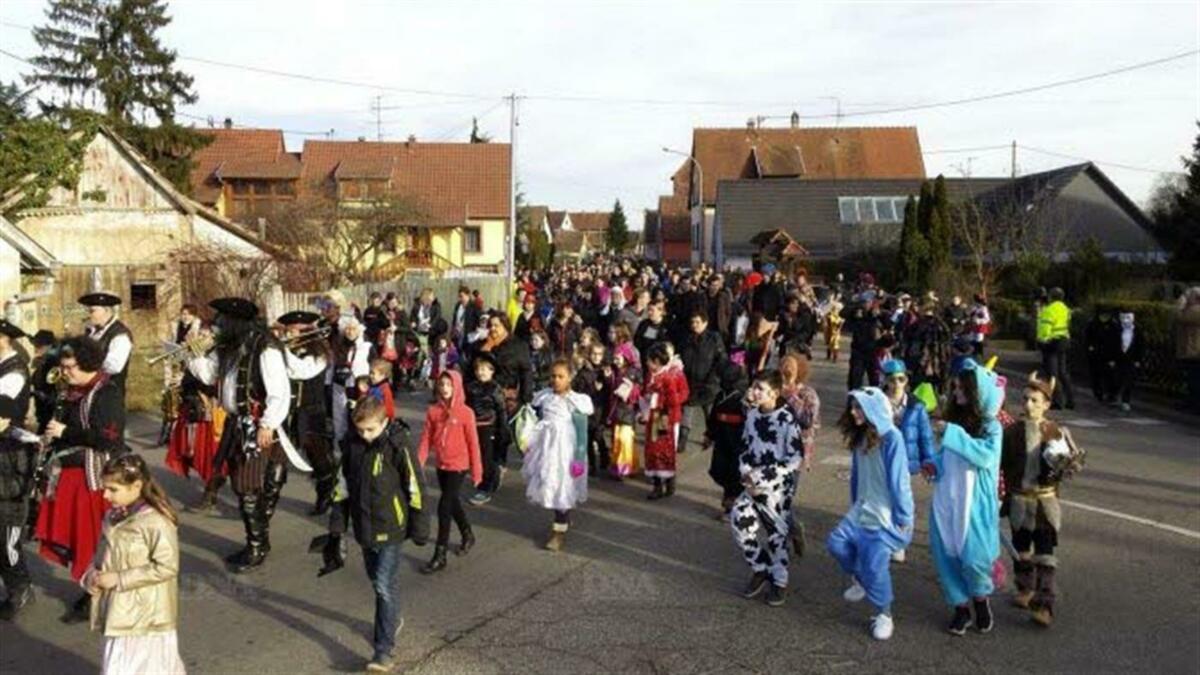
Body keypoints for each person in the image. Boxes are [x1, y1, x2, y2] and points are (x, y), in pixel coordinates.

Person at [184, 297, 291, 573]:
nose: (217, 327)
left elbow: (279, 390)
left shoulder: (265, 348)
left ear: (234, 322)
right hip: (236, 422)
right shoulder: (229, 347)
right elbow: (209, 377)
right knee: (243, 483)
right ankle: (259, 538)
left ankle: (257, 545)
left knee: (246, 485)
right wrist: (193, 353)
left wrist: (268, 424)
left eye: (222, 322)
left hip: (256, 424)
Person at [323, 397, 428, 673]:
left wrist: (420, 525)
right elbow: (341, 487)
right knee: (378, 580)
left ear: (384, 423)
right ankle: (392, 619)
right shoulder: (352, 447)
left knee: (383, 584)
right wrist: (337, 524)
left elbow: (415, 485)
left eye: (370, 430)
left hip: (392, 526)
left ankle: (383, 650)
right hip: (364, 527)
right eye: (360, 430)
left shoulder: (397, 444)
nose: (365, 435)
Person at [35, 336, 128, 622]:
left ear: (87, 362)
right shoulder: (72, 391)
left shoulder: (106, 392)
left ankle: (96, 596)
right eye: (62, 367)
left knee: (93, 539)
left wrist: (67, 433)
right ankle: (90, 588)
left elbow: (109, 439)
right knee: (76, 537)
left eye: (70, 367)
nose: (65, 373)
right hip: (70, 475)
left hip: (95, 478)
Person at [81, 454, 185, 675]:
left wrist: (119, 578)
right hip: (120, 609)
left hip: (146, 615)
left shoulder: (156, 521)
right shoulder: (113, 516)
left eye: (113, 489)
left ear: (136, 486)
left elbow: (167, 567)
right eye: (105, 488)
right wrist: (91, 575)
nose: (106, 495)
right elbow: (102, 553)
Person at [826, 387, 914, 641]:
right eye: (852, 406)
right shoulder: (863, 436)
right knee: (836, 543)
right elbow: (857, 475)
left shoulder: (892, 438)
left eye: (859, 407)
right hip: (861, 509)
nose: (853, 412)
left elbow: (900, 482)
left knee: (876, 567)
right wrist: (854, 503)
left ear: (874, 409)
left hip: (884, 516)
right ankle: (861, 578)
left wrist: (904, 517)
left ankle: (884, 613)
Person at [928, 359, 1004, 636]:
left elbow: (984, 456)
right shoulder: (952, 422)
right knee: (946, 556)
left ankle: (981, 599)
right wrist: (932, 466)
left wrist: (951, 432)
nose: (956, 393)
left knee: (975, 558)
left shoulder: (991, 427)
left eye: (962, 388)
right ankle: (960, 608)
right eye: (955, 387)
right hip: (947, 499)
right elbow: (942, 457)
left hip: (975, 503)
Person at [1001, 373, 1080, 628]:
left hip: (1045, 504)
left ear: (1046, 404)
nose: (1028, 405)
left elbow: (1066, 466)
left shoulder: (1055, 431)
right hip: (1019, 501)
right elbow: (1000, 464)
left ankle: (1044, 604)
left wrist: (1066, 463)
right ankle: (1025, 589)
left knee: (1045, 555)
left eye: (1035, 401)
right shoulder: (1011, 432)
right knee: (1021, 550)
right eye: (1025, 399)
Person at [731, 370, 804, 608]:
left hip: (777, 488)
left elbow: (794, 458)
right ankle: (760, 568)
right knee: (740, 519)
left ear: (774, 393)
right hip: (751, 483)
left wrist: (761, 478)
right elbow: (745, 447)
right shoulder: (752, 415)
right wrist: (746, 474)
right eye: (754, 386)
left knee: (776, 535)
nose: (754, 391)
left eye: (760, 388)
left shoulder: (786, 419)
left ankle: (779, 581)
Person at [521, 358, 594, 552]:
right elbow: (533, 417)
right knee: (550, 486)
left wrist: (579, 457)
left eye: (561, 376)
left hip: (565, 451)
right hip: (546, 449)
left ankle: (558, 532)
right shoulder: (544, 397)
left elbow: (581, 432)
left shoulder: (575, 401)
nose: (556, 380)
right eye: (553, 376)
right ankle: (563, 518)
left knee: (563, 489)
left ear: (570, 377)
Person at [416, 371, 483, 574]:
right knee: (452, 503)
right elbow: (426, 439)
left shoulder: (465, 413)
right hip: (442, 465)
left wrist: (477, 470)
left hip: (459, 466)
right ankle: (467, 533)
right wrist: (418, 462)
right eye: (442, 384)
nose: (445, 388)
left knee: (444, 507)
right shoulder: (433, 411)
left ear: (456, 387)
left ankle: (440, 554)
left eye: (449, 384)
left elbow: (473, 443)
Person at [279, 311, 338, 516]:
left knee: (317, 455)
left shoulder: (318, 352)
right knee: (282, 455)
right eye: (289, 330)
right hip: (290, 411)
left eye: (294, 330)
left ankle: (327, 491)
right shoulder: (288, 349)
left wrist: (281, 349)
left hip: (313, 410)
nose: (290, 334)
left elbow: (301, 371)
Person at [880, 359, 933, 563]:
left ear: (907, 381)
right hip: (882, 460)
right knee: (883, 502)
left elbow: (925, 437)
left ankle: (899, 543)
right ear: (885, 381)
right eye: (892, 379)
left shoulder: (916, 406)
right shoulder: (877, 402)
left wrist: (928, 462)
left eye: (901, 379)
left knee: (902, 503)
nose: (896, 384)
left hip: (905, 464)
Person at [0, 394, 38, 620]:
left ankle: (20, 589)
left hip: (12, 509)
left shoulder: (20, 444)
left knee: (9, 551)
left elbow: (21, 484)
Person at [642, 343, 689, 500]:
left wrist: (660, 395)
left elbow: (674, 400)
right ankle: (658, 483)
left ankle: (666, 481)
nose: (647, 363)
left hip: (662, 418)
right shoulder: (651, 376)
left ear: (656, 361)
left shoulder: (667, 378)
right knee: (652, 450)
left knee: (662, 450)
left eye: (649, 361)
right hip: (653, 416)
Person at [678, 311, 726, 455]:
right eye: (693, 322)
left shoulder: (714, 339)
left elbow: (720, 359)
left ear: (705, 323)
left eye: (698, 322)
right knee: (687, 410)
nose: (694, 325)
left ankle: (710, 436)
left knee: (709, 412)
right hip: (690, 381)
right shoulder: (687, 339)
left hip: (708, 383)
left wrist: (713, 379)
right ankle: (683, 438)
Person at [706, 361, 748, 519]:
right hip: (722, 439)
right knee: (719, 470)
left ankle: (733, 507)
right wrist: (710, 434)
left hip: (737, 441)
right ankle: (729, 500)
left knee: (735, 474)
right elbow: (713, 417)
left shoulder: (743, 398)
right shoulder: (720, 396)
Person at [466, 352, 507, 504]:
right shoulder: (471, 387)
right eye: (478, 369)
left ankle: (485, 488)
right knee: (474, 456)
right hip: (473, 426)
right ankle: (488, 475)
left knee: (486, 458)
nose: (480, 372)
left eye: (484, 369)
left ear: (492, 371)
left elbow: (501, 410)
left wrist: (502, 429)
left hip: (489, 427)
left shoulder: (495, 389)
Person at [80, 292, 133, 406]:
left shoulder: (120, 334)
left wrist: (88, 358)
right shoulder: (91, 332)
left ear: (107, 311)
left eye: (93, 311)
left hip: (108, 397)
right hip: (89, 394)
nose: (89, 315)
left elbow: (114, 366)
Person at [332, 316, 372, 443]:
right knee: (339, 418)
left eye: (353, 329)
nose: (350, 331)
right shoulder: (338, 344)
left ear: (359, 330)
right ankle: (341, 445)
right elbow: (332, 365)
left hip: (359, 386)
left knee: (358, 415)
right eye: (347, 329)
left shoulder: (366, 346)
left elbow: (374, 363)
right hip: (340, 385)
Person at [571, 343, 609, 477]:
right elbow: (577, 389)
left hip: (600, 408)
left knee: (598, 436)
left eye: (599, 354)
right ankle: (592, 465)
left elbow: (610, 387)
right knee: (587, 438)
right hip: (587, 409)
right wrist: (592, 389)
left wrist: (607, 379)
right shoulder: (583, 372)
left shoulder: (604, 370)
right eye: (594, 354)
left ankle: (605, 458)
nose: (597, 357)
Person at [606, 343, 642, 480]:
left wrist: (632, 390)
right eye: (614, 358)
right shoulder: (614, 371)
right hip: (616, 410)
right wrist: (608, 378)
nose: (616, 361)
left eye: (618, 358)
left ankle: (623, 468)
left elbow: (641, 388)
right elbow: (610, 389)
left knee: (624, 438)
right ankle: (628, 465)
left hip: (627, 410)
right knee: (618, 439)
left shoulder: (634, 372)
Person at [1036, 288, 1074, 410]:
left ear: (1051, 297)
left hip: (1051, 342)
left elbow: (1045, 328)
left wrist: (1042, 340)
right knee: (1063, 372)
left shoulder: (1049, 310)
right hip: (1064, 340)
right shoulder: (1066, 309)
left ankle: (1058, 402)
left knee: (1052, 373)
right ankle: (1070, 400)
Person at [1107, 310, 1144, 412]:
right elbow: (1111, 345)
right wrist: (1111, 359)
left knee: (1129, 381)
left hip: (1131, 359)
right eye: (1123, 318)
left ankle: (1125, 401)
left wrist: (1138, 360)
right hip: (1119, 359)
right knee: (1116, 379)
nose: (1126, 320)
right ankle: (1113, 395)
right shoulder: (1116, 330)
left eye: (1128, 318)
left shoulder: (1137, 331)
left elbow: (1140, 346)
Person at [0, 320, 30, 422]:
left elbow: (3, 402)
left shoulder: (16, 369)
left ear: (3, 340)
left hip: (8, 433)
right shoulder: (4, 363)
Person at [30, 330, 59, 433]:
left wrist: (43, 395)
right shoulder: (43, 360)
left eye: (39, 345)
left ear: (48, 345)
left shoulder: (53, 361)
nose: (36, 348)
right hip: (44, 407)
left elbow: (54, 384)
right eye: (36, 345)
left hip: (50, 407)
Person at [1084, 309, 1116, 402]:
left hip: (1108, 354)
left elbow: (1116, 341)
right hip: (1095, 354)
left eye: (1106, 315)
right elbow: (1087, 337)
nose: (1104, 317)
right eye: (1102, 315)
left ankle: (1111, 395)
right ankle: (1099, 394)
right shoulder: (1093, 324)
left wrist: (1114, 357)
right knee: (1096, 375)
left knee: (1109, 376)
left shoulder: (1113, 325)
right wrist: (1089, 348)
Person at [451, 285, 482, 355]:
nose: (460, 299)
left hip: (468, 336)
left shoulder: (474, 306)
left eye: (462, 296)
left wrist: (476, 332)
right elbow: (455, 319)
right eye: (459, 296)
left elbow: (480, 319)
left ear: (467, 295)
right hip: (458, 335)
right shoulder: (458, 305)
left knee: (466, 355)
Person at [968, 294, 992, 359]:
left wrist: (979, 321)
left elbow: (987, 319)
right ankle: (974, 353)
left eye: (977, 301)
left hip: (980, 326)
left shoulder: (984, 308)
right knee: (971, 339)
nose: (976, 303)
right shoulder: (974, 308)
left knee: (979, 341)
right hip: (973, 326)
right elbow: (970, 315)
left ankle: (980, 354)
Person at [824, 296, 844, 363]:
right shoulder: (829, 315)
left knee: (835, 343)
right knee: (829, 342)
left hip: (836, 331)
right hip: (830, 330)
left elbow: (839, 323)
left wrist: (840, 324)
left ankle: (835, 357)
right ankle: (829, 355)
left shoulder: (838, 315)